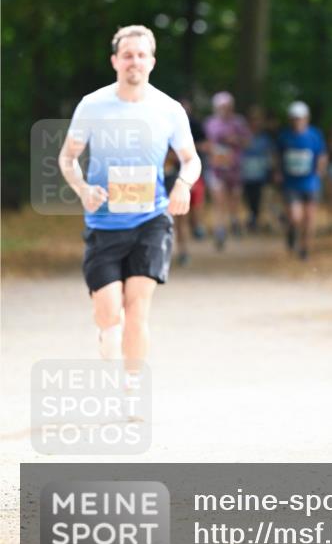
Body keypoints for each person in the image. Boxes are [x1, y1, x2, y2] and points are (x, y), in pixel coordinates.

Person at [58, 25, 201, 393]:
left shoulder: (169, 109)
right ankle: (108, 336)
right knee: (109, 314)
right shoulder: (92, 106)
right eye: (127, 55)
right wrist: (83, 188)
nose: (134, 61)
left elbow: (190, 159)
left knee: (138, 308)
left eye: (141, 55)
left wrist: (183, 184)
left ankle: (133, 386)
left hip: (150, 220)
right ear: (115, 61)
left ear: (151, 62)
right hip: (104, 223)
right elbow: (68, 158)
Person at [276, 101, 327, 260]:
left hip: (310, 182)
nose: (297, 121)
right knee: (295, 216)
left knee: (309, 218)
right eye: (294, 118)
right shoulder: (284, 136)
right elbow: (277, 155)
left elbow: (322, 154)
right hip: (291, 183)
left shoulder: (314, 135)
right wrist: (277, 171)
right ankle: (291, 231)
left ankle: (305, 249)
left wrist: (319, 170)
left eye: (300, 118)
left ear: (306, 118)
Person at [203, 91, 250, 249]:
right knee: (219, 200)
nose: (225, 109)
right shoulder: (210, 123)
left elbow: (247, 141)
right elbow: (206, 142)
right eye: (221, 106)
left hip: (235, 168)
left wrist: (234, 140)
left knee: (235, 198)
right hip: (217, 168)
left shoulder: (238, 122)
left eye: (227, 106)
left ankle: (234, 220)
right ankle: (220, 230)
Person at [164, 97, 207, 264]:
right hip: (165, 177)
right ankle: (175, 251)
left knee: (183, 214)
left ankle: (185, 246)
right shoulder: (164, 126)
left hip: (184, 176)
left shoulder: (194, 125)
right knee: (169, 218)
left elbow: (199, 149)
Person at [241, 105, 275, 232]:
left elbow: (271, 155)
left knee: (262, 199)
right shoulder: (243, 137)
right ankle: (253, 218)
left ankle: (259, 221)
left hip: (262, 175)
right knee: (249, 199)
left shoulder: (266, 138)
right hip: (247, 174)